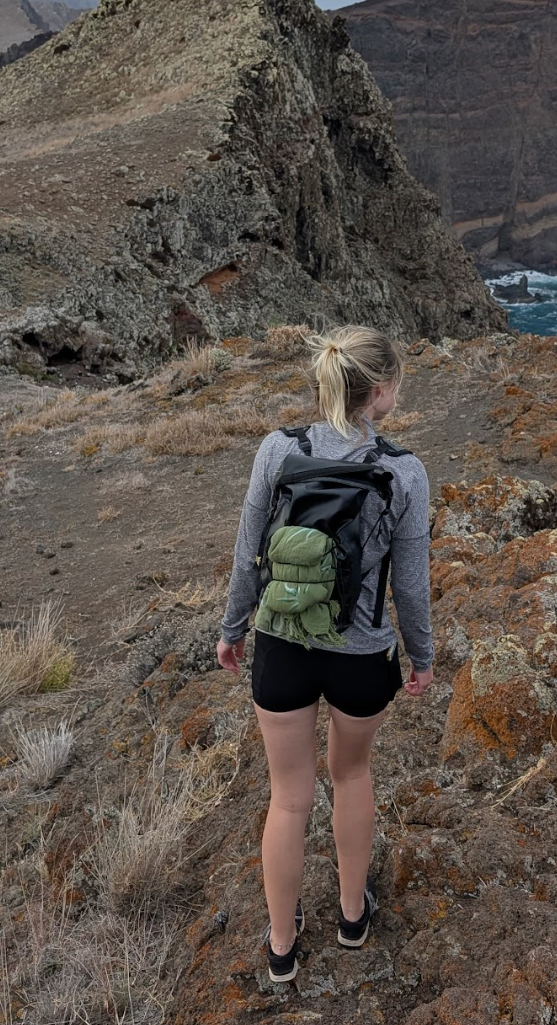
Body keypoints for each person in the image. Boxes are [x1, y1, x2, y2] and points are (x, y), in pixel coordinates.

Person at [216, 324, 434, 984]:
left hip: (282, 648)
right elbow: (410, 586)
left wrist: (233, 629)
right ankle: (351, 916)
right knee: (351, 775)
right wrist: (422, 656)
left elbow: (248, 553)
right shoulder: (403, 471)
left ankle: (282, 947)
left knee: (289, 798)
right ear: (382, 390)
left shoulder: (278, 450)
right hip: (362, 658)